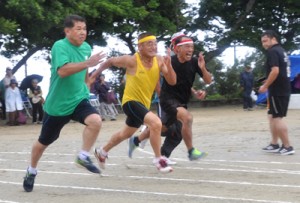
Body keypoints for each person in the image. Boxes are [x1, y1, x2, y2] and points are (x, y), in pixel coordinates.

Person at [22, 14, 107, 193]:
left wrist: (86, 83)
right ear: (67, 31)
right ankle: (31, 170)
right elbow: (62, 71)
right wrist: (88, 63)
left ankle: (83, 156)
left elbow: (84, 69)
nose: (83, 32)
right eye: (78, 29)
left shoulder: (86, 47)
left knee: (95, 121)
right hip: (58, 105)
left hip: (78, 98)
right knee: (44, 142)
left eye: (84, 29)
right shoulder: (59, 46)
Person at [92, 32, 177, 173]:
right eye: (149, 44)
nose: (153, 47)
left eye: (155, 44)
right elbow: (110, 61)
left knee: (124, 134)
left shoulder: (160, 60)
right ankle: (159, 159)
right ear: (140, 47)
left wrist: (169, 65)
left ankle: (102, 151)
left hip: (143, 105)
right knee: (156, 123)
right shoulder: (131, 60)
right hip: (130, 102)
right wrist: (94, 75)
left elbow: (172, 81)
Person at [128, 34, 212, 161]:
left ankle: (138, 141)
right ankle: (191, 151)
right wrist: (160, 93)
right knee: (187, 118)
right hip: (167, 99)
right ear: (177, 49)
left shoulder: (195, 62)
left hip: (181, 101)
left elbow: (208, 81)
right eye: (187, 46)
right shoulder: (169, 61)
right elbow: (155, 78)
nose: (190, 49)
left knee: (172, 131)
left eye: (192, 46)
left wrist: (202, 69)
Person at [259, 30, 295, 155]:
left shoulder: (273, 51)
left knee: (277, 117)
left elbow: (275, 71)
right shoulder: (282, 50)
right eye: (262, 42)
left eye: (265, 41)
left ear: (273, 39)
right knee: (272, 116)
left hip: (278, 89)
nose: (263, 44)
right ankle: (274, 143)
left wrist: (265, 85)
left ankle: (287, 146)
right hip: (283, 87)